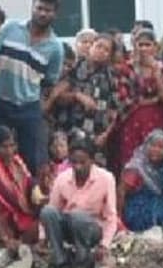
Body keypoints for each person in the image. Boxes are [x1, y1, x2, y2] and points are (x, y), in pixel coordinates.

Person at [0, 0, 63, 176]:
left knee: (31, 160)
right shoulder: (10, 28)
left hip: (28, 108)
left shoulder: (55, 48)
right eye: (39, 8)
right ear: (33, 7)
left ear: (55, 14)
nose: (42, 13)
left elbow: (49, 82)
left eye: (48, 10)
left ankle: (28, 193)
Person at [48, 31, 122, 169]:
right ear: (92, 46)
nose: (101, 51)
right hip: (70, 133)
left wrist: (106, 135)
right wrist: (78, 96)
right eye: (99, 46)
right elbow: (58, 97)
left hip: (96, 138)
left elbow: (116, 111)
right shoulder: (74, 68)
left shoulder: (112, 77)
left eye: (106, 50)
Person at [41, 137, 117, 268]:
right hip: (69, 227)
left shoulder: (106, 178)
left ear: (92, 160)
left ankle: (83, 258)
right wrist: (42, 238)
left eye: (82, 162)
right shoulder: (62, 178)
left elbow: (111, 216)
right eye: (74, 162)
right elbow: (52, 208)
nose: (78, 167)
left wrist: (104, 244)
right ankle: (60, 259)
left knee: (78, 215)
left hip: (92, 229)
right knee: (47, 211)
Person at [117, 28, 163, 179]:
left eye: (147, 45)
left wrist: (156, 73)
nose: (143, 49)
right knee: (130, 163)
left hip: (156, 122)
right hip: (131, 122)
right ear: (134, 46)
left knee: (155, 159)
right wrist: (151, 100)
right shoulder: (127, 69)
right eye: (140, 45)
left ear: (155, 47)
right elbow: (124, 99)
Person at [120, 128, 163, 232]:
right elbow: (121, 193)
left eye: (161, 147)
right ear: (146, 146)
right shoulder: (135, 168)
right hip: (139, 207)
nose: (156, 150)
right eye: (153, 145)